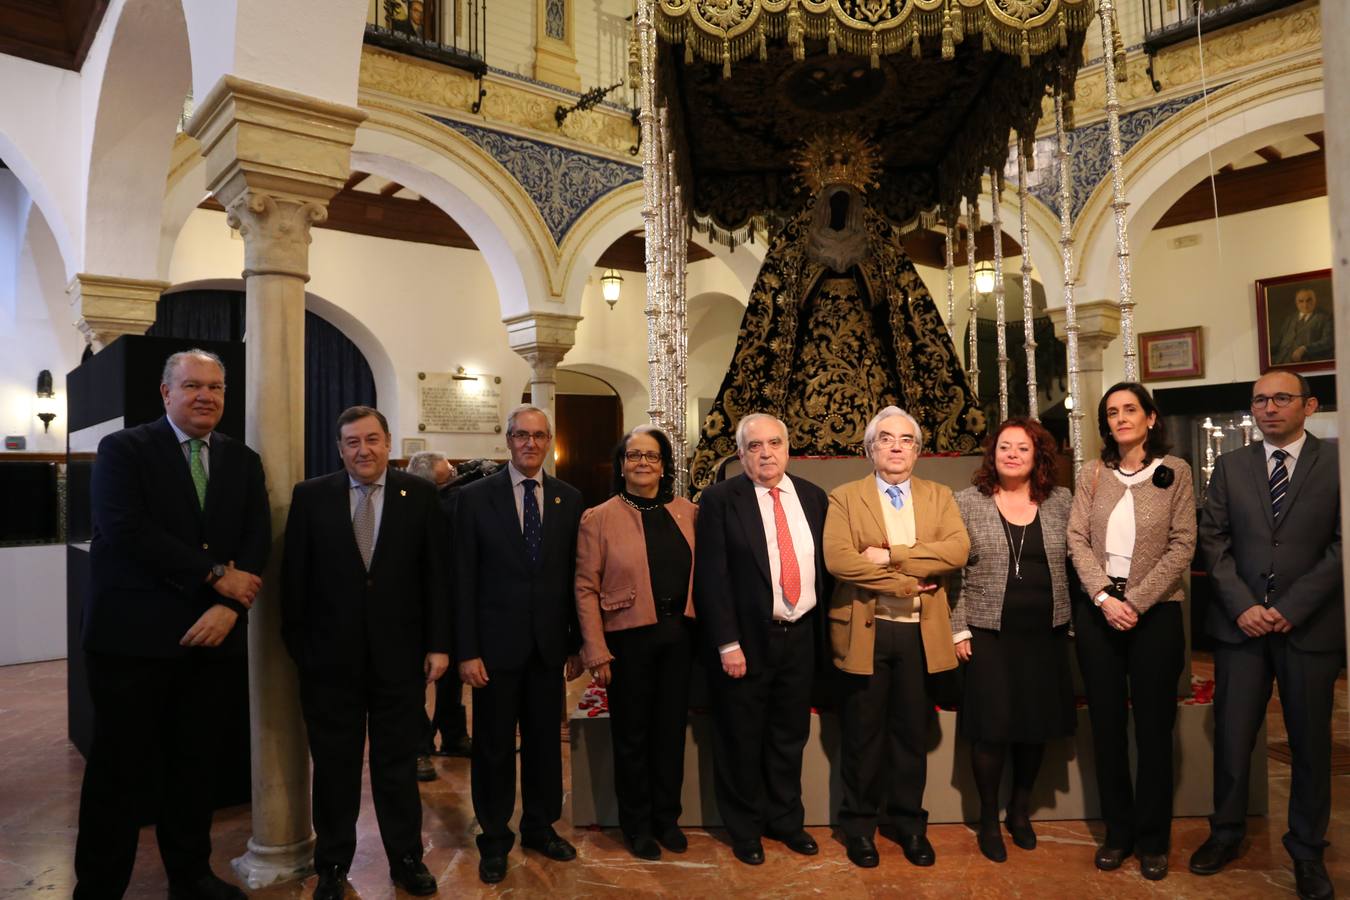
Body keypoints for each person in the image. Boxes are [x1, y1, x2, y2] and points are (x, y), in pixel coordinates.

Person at [74, 349, 267, 900]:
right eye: (192, 386)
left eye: (216, 386)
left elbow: (255, 539)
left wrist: (230, 606)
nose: (206, 395)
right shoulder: (123, 450)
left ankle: (191, 876)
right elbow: (126, 530)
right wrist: (214, 576)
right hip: (131, 643)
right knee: (118, 774)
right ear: (165, 392)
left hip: (212, 641)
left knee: (195, 767)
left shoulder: (242, 460)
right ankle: (99, 887)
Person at [281, 406, 448, 899]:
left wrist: (439, 644)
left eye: (372, 439)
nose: (363, 450)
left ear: (388, 442)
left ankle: (406, 859)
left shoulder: (417, 495)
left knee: (397, 765)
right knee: (334, 768)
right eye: (352, 442)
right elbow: (294, 582)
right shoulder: (312, 497)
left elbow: (436, 575)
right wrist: (303, 650)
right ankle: (332, 866)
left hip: (400, 659)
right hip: (330, 664)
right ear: (339, 448)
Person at [1190, 370, 1342, 900]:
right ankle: (1226, 833)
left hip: (1310, 627)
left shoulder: (1338, 463)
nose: (1269, 407)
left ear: (1310, 405)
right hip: (1241, 629)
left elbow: (1343, 544)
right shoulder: (1231, 466)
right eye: (1259, 400)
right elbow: (1213, 539)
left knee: (1308, 743)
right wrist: (1244, 606)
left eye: (1281, 398)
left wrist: (1292, 606)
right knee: (1232, 737)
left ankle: (1306, 849)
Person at [823, 405, 969, 870]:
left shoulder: (940, 495)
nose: (896, 447)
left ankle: (909, 826)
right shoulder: (844, 497)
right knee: (862, 736)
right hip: (865, 632)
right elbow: (841, 561)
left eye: (906, 439)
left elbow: (957, 550)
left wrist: (890, 555)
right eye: (885, 438)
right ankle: (859, 827)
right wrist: (907, 580)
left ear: (918, 450)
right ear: (870, 448)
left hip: (920, 635)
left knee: (911, 734)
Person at [1066, 382, 1195, 881]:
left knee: (1153, 730)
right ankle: (1118, 834)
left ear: (1151, 418)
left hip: (1156, 614)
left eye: (1130, 410)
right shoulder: (1092, 474)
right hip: (1100, 614)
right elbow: (1076, 538)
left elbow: (1183, 546)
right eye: (1112, 412)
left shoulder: (1176, 472)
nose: (1121, 418)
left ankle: (1153, 840)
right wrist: (1102, 597)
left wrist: (1134, 602)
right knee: (1106, 728)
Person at [453, 404, 586, 885]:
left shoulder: (569, 499)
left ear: (549, 441)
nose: (531, 444)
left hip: (548, 648)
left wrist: (575, 644)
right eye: (521, 435)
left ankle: (540, 826)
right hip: (492, 650)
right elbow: (462, 579)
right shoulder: (473, 499)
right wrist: (466, 650)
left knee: (545, 745)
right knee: (491, 746)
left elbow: (576, 577)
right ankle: (493, 837)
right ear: (507, 440)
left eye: (539, 436)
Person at [693, 413, 829, 866]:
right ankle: (745, 828)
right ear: (740, 453)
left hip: (801, 635)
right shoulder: (719, 500)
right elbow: (712, 579)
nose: (766, 453)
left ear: (788, 448)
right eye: (754, 446)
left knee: (789, 737)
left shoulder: (812, 497)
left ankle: (786, 821)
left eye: (774, 443)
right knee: (740, 738)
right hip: (747, 643)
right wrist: (727, 643)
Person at [950, 417, 1075, 863]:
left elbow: (1078, 561)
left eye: (1022, 448)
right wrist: (958, 627)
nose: (1012, 455)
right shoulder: (966, 501)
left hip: (1047, 632)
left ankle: (1019, 812)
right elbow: (953, 572)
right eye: (1005, 447)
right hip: (988, 633)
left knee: (1033, 727)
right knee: (992, 730)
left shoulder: (1061, 501)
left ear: (1038, 455)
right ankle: (988, 818)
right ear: (993, 453)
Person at [575, 425, 698, 860]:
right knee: (632, 737)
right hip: (627, 643)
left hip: (678, 639)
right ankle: (638, 825)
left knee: (669, 735)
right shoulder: (600, 516)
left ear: (664, 465)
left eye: (652, 456)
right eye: (634, 456)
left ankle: (667, 819)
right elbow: (585, 587)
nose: (643, 463)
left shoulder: (687, 511)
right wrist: (595, 648)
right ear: (622, 464)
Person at [406, 451, 469, 778]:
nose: (456, 475)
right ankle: (418, 747)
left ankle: (453, 735)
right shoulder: (419, 504)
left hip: (451, 600)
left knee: (453, 676)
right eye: (450, 473)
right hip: (415, 605)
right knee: (416, 681)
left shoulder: (453, 500)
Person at [1271, 289, 1333, 365]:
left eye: (1309, 300)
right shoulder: (1290, 319)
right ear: (1296, 303)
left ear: (1315, 300)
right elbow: (1278, 343)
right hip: (1281, 363)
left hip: (1307, 364)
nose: (1305, 305)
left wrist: (1305, 349)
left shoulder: (1325, 318)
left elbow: (1328, 342)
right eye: (1301, 301)